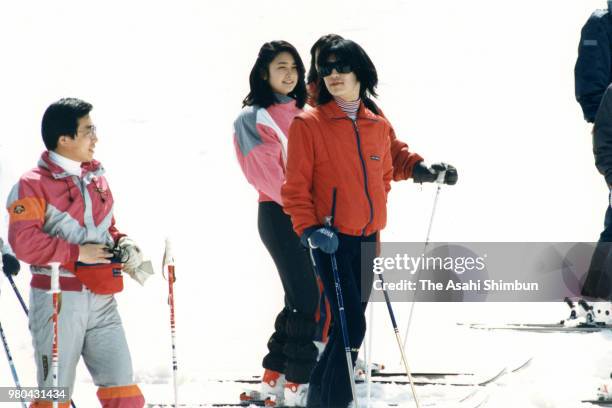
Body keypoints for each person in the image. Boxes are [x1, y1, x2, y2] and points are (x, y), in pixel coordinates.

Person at [6, 98, 146, 408]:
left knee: (124, 393)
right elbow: (24, 243)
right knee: (54, 399)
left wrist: (122, 242)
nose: (95, 138)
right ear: (64, 139)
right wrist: (75, 252)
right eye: (88, 130)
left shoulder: (96, 178)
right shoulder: (31, 185)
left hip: (102, 297)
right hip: (58, 300)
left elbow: (104, 228)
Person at [233, 41, 319, 407]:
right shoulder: (253, 117)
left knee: (298, 298)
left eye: (295, 68)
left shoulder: (307, 110)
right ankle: (299, 382)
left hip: (310, 216)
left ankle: (276, 374)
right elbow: (267, 176)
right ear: (264, 73)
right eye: (281, 67)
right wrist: (306, 213)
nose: (289, 74)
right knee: (307, 299)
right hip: (281, 215)